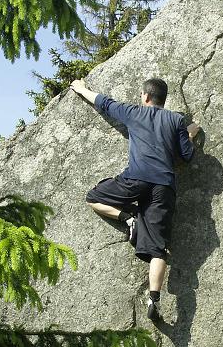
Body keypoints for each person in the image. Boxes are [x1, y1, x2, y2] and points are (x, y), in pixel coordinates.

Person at [70, 77, 200, 320]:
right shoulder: (175, 120)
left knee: (93, 197)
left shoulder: (133, 113)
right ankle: (154, 298)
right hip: (164, 186)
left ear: (145, 96)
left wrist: (80, 88)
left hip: (135, 180)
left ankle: (128, 219)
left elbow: (103, 102)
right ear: (163, 99)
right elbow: (186, 155)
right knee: (159, 248)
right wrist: (190, 134)